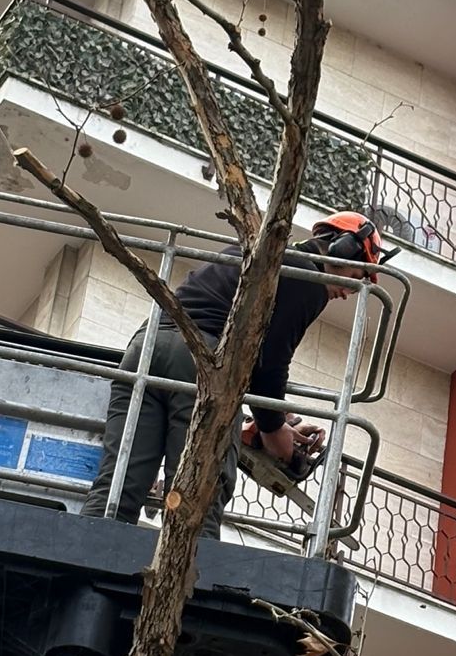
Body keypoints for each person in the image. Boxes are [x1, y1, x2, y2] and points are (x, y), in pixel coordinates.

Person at [81, 212, 382, 538]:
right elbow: (271, 363)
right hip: (203, 362)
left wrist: (278, 419)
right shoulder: (308, 278)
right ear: (343, 250)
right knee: (197, 496)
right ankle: (187, 586)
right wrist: (273, 430)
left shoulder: (256, 250)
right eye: (360, 274)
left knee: (119, 484)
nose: (353, 290)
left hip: (146, 347)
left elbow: (251, 352)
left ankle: (78, 570)